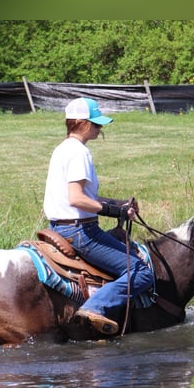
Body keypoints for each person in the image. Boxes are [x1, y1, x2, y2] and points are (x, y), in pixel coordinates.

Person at [43, 97, 155, 335]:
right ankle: (94, 307)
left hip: (59, 227)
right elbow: (76, 198)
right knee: (140, 271)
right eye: (96, 124)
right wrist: (114, 210)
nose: (100, 128)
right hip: (81, 232)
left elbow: (82, 196)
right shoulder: (79, 152)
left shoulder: (62, 149)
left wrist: (118, 204)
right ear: (81, 123)